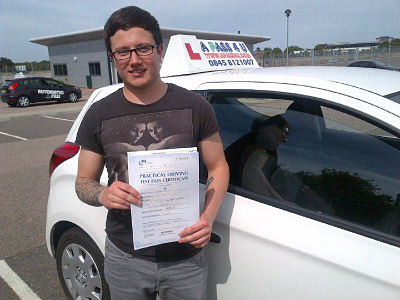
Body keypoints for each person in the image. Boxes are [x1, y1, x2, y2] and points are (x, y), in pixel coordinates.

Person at [74, 5, 229, 300]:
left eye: (143, 48)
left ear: (159, 49)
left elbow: (218, 166)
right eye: (123, 52)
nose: (134, 60)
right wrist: (103, 195)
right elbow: (83, 181)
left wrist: (208, 217)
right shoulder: (99, 114)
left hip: (186, 256)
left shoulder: (195, 107)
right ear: (113, 58)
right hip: (124, 257)